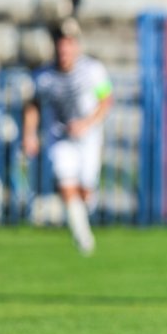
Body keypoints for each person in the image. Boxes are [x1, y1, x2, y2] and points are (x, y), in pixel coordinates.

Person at [22, 18, 113, 255]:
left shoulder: (93, 70)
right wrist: (29, 134)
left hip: (89, 138)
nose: (64, 51)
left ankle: (82, 219)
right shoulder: (43, 76)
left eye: (68, 45)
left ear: (76, 47)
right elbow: (33, 106)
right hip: (60, 138)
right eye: (60, 46)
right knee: (66, 181)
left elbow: (106, 100)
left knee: (86, 189)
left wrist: (87, 123)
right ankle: (82, 236)